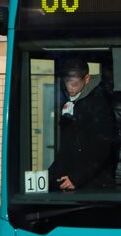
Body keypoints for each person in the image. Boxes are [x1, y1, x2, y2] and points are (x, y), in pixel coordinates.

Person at [47, 57, 116, 191]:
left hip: (93, 184)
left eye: (75, 84)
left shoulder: (98, 104)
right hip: (73, 179)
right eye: (67, 83)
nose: (70, 88)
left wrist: (77, 177)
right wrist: (49, 176)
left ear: (87, 79)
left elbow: (102, 149)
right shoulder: (71, 101)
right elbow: (67, 147)